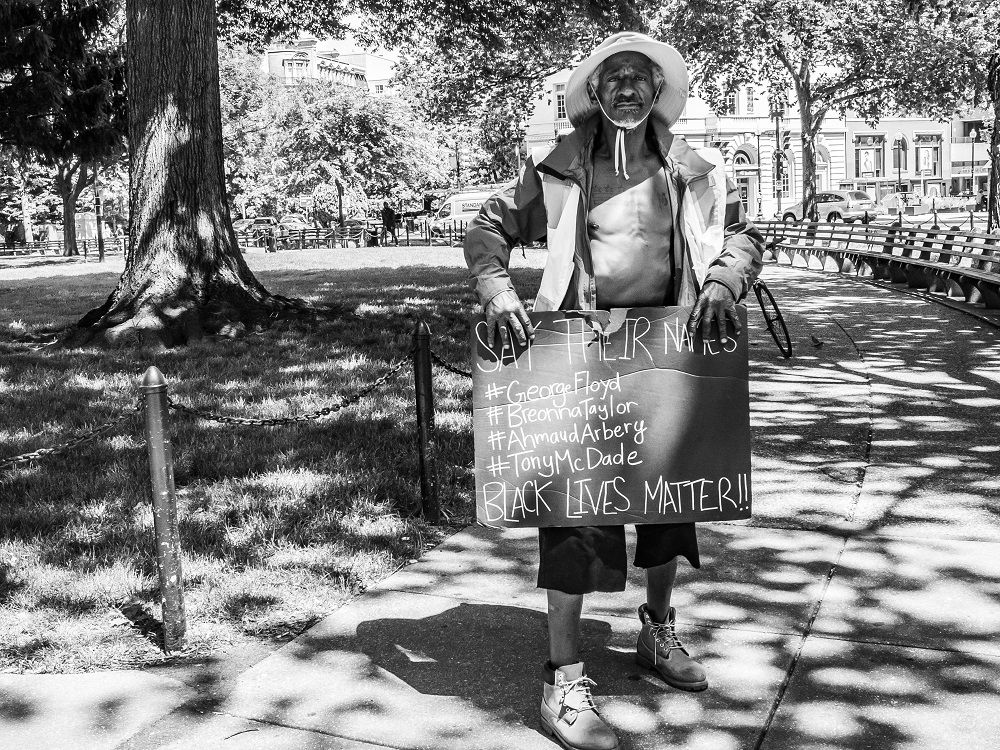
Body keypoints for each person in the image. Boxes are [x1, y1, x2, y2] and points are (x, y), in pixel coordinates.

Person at [464, 32, 763, 750]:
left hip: (670, 360)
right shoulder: (557, 170)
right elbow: (488, 223)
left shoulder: (697, 168)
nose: (627, 88)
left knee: (671, 509)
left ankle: (657, 635)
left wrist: (724, 276)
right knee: (574, 519)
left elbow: (742, 237)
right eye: (613, 78)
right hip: (583, 361)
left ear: (658, 92)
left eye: (640, 78)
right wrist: (495, 285)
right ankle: (562, 677)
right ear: (593, 92)